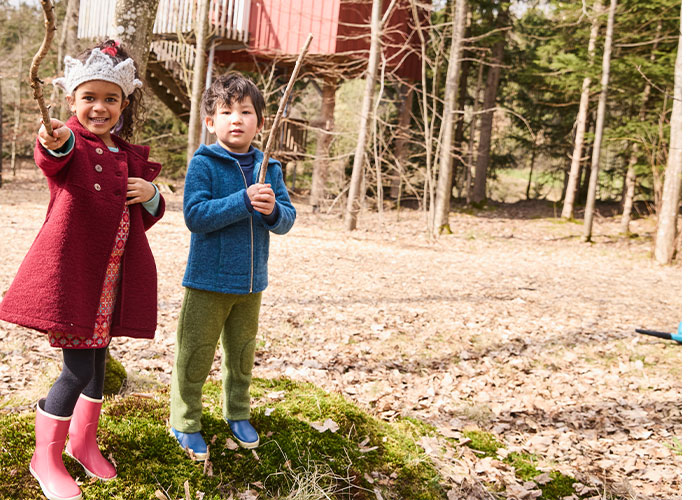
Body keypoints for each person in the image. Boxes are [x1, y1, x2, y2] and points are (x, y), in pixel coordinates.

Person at [0, 40, 165, 500]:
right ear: (72, 100)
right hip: (76, 281)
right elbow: (52, 155)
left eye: (110, 99)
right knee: (74, 370)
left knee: (95, 365)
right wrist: (53, 139)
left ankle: (82, 442)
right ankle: (44, 458)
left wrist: (150, 195)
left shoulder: (124, 152)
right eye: (89, 97)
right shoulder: (71, 142)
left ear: (124, 104)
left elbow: (142, 214)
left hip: (110, 283)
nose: (99, 107)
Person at [169, 73, 296, 461]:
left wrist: (273, 211)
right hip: (207, 282)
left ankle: (237, 413)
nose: (236, 119)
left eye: (246, 111)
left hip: (251, 284)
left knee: (241, 355)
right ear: (211, 122)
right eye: (226, 112)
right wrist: (242, 200)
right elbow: (195, 215)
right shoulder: (205, 162)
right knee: (196, 353)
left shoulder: (268, 167)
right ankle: (185, 419)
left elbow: (288, 218)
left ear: (260, 121)